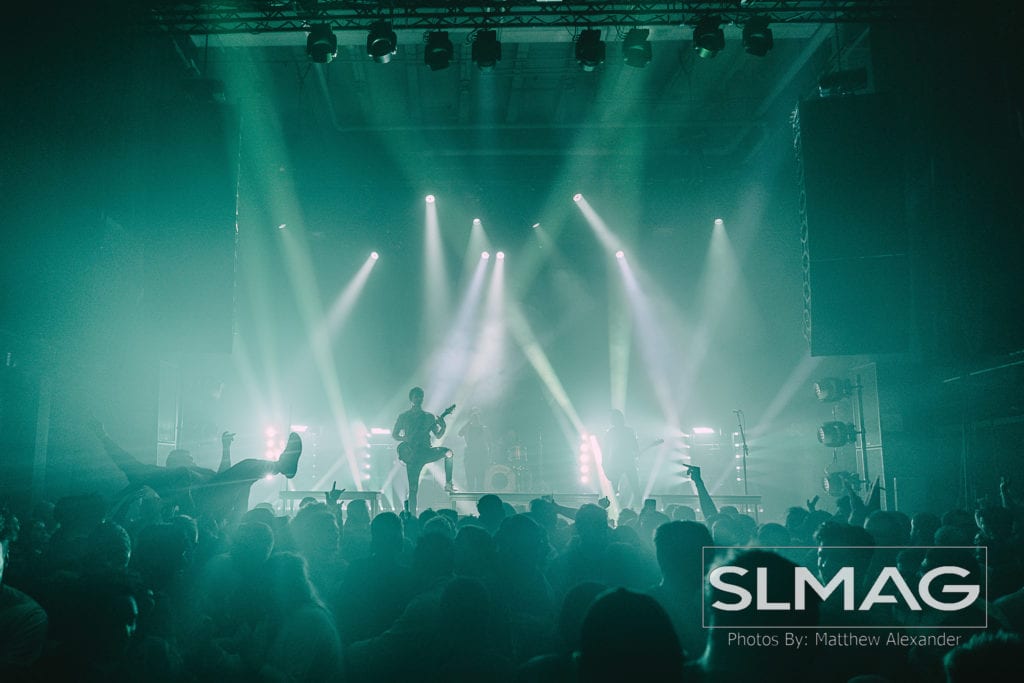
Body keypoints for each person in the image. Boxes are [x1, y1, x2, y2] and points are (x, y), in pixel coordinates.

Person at [392, 387, 455, 514]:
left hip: (426, 452)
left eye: (421, 396)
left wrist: (443, 426)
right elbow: (395, 435)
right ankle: (412, 516)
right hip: (412, 456)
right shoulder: (404, 416)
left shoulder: (429, 417)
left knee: (448, 453)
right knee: (413, 489)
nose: (419, 399)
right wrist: (405, 438)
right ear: (411, 399)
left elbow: (438, 435)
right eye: (416, 396)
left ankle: (448, 483)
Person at [602, 409, 640, 508]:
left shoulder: (611, 432)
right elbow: (635, 447)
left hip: (618, 463)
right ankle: (637, 505)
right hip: (623, 463)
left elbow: (605, 450)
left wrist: (605, 464)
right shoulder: (624, 431)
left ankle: (612, 507)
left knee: (617, 489)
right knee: (634, 487)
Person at [458, 408, 490, 492]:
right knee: (470, 480)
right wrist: (469, 422)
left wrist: (487, 457)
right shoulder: (467, 427)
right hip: (470, 455)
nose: (475, 416)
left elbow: (489, 441)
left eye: (477, 414)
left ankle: (481, 497)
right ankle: (470, 497)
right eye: (473, 414)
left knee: (480, 481)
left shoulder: (484, 428)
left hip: (481, 455)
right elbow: (460, 433)